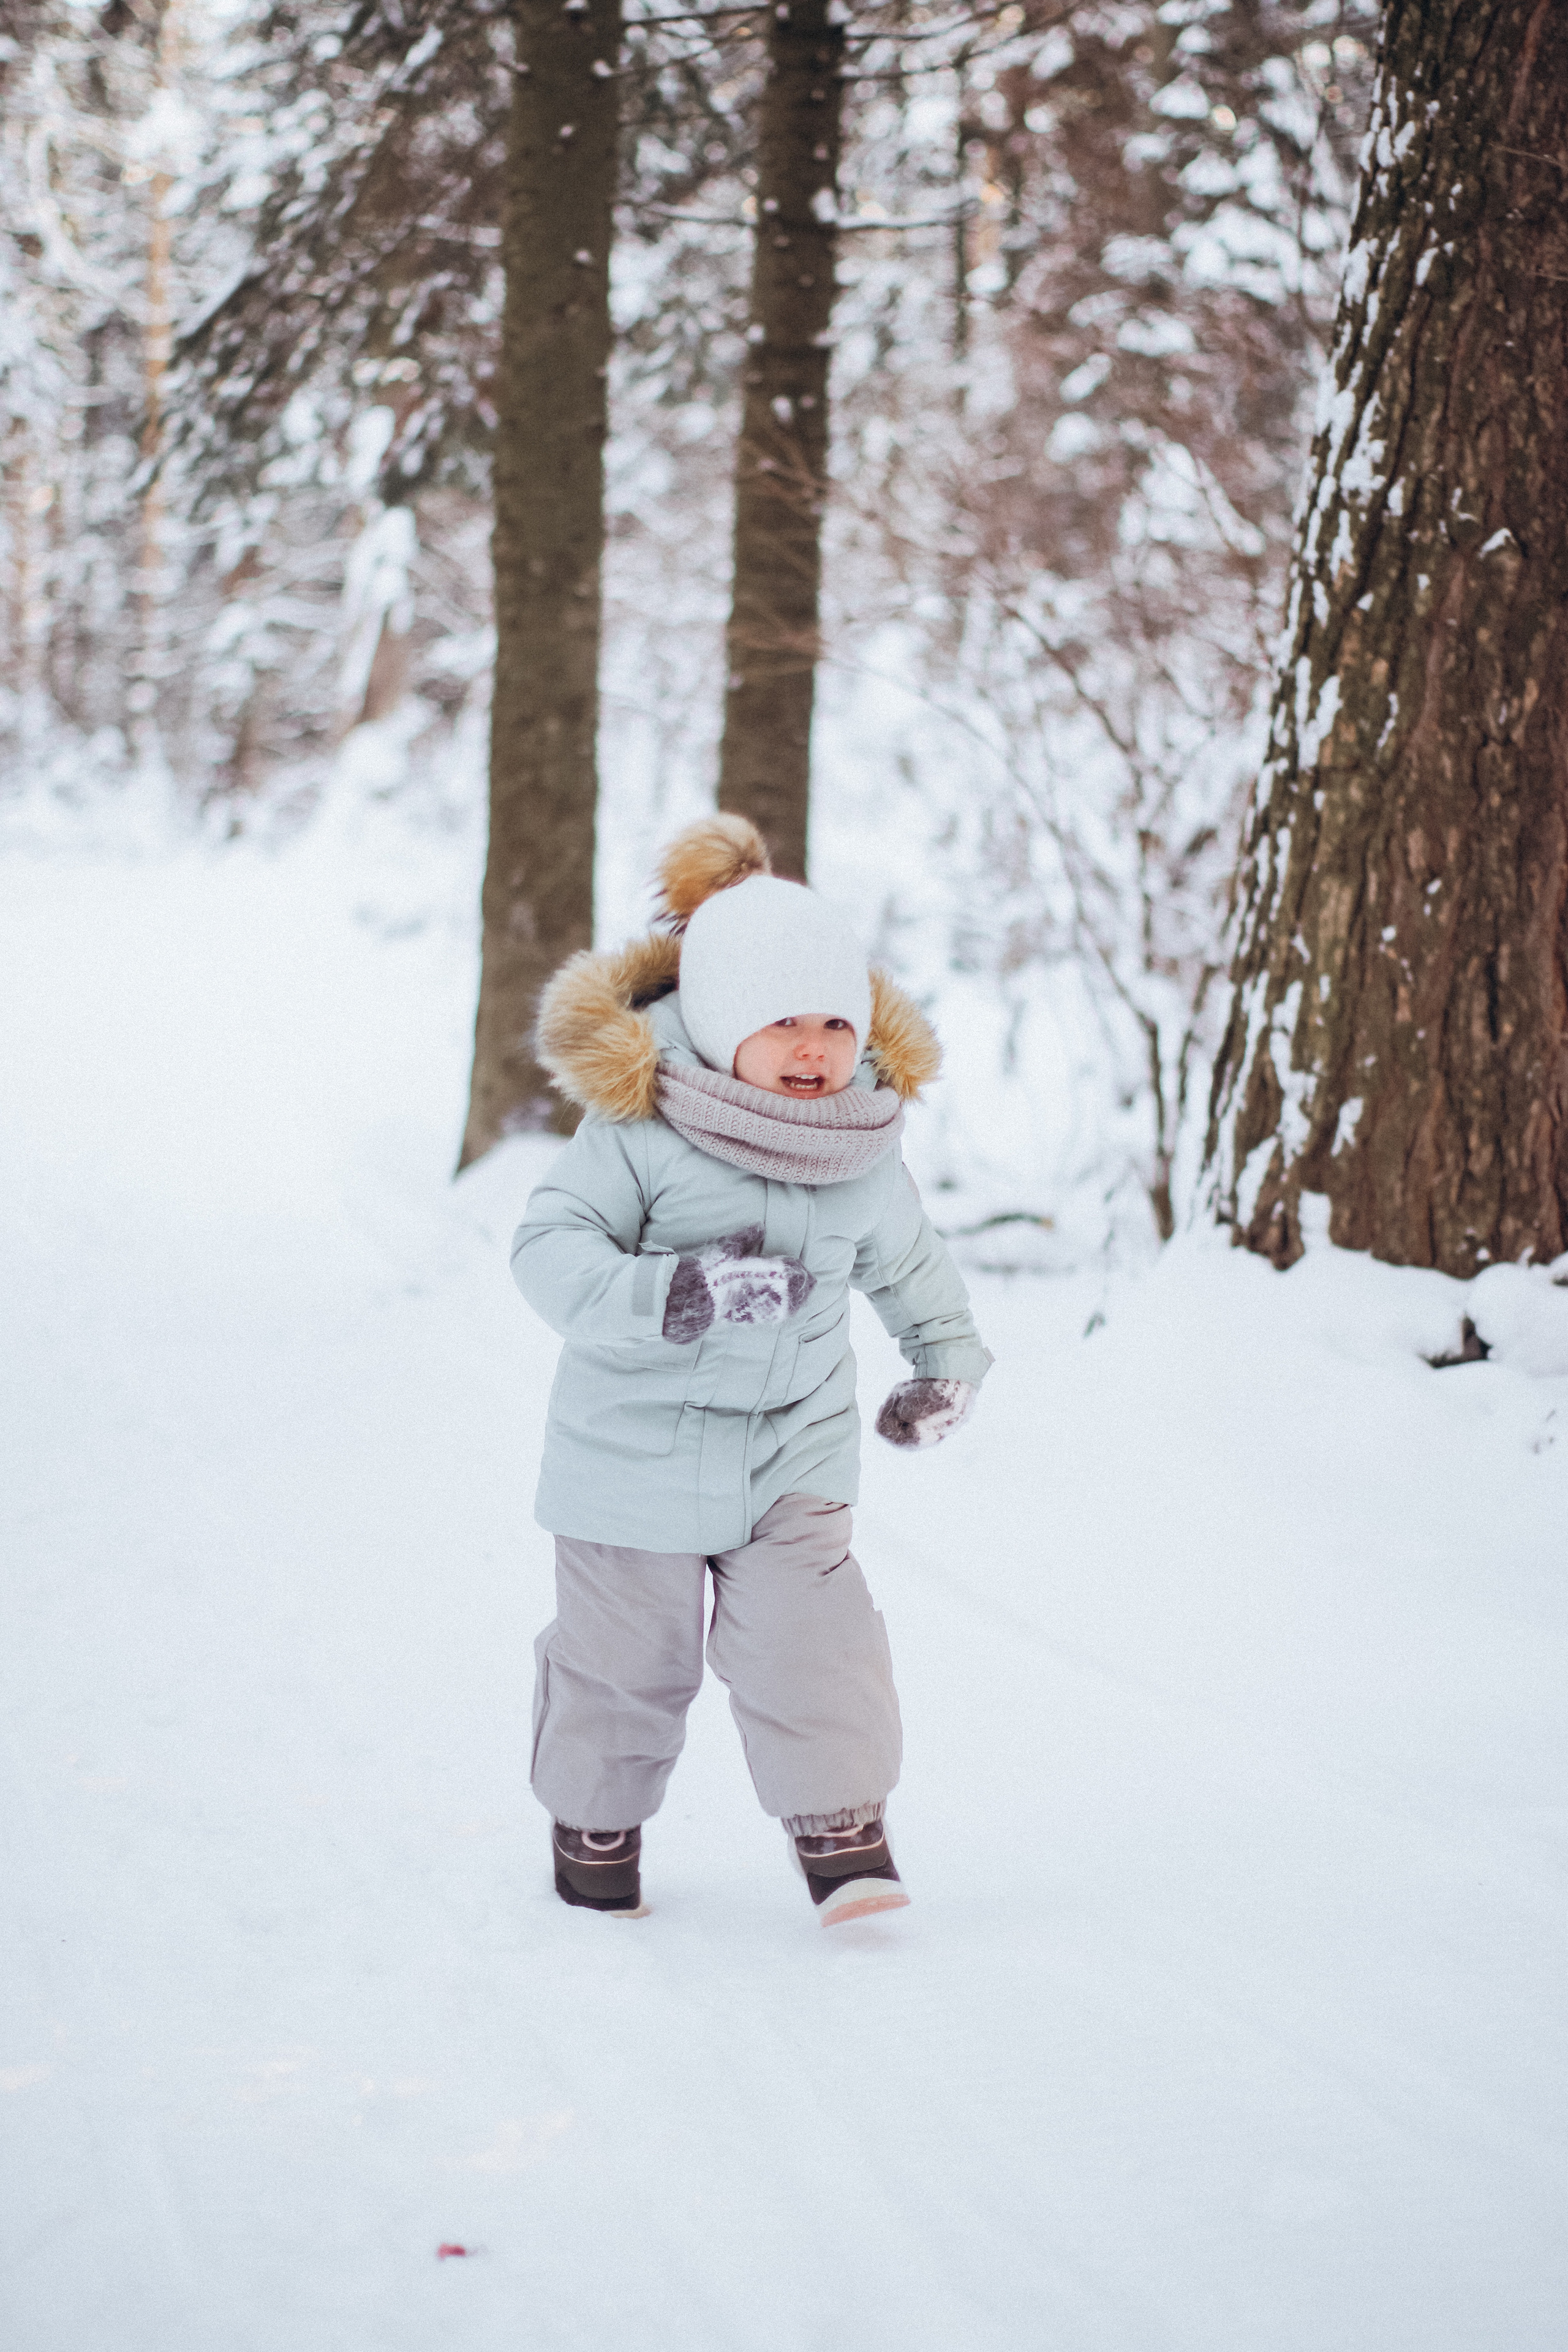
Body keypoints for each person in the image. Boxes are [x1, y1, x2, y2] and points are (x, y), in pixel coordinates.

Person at [510, 814, 992, 1925]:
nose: (817, 1048)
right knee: (627, 1659)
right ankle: (597, 1820)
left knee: (814, 1638)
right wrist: (672, 1293)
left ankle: (842, 1828)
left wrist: (946, 1361)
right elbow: (549, 1251)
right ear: (724, 1020)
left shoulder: (861, 1141)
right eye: (785, 1024)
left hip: (791, 1444)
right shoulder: (640, 1126)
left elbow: (911, 1262)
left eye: (835, 1021)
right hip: (628, 1453)